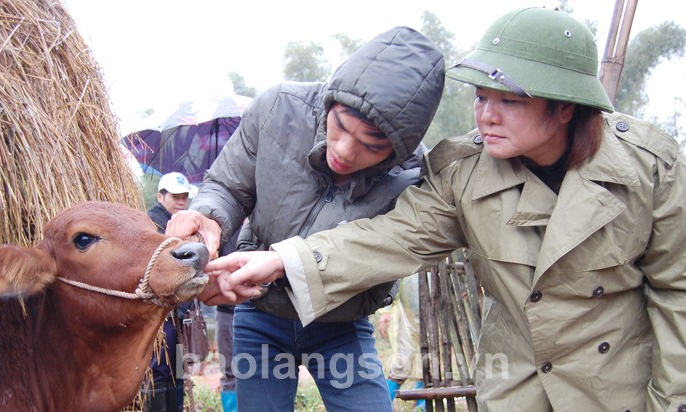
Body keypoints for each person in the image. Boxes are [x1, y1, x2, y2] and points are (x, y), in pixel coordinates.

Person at [203, 7, 686, 411]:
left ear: (564, 107)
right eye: (480, 97)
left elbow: (677, 292)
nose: (486, 115)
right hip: (518, 389)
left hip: (616, 389)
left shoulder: (650, 169)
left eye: (509, 101)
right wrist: (282, 259)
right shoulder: (464, 172)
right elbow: (393, 236)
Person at [166, 26, 445, 411]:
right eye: (340, 126)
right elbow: (228, 186)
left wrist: (285, 264)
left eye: (372, 145)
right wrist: (209, 217)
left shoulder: (414, 177)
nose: (345, 151)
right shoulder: (279, 110)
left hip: (341, 326)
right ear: (331, 100)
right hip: (259, 314)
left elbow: (387, 251)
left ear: (399, 150)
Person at [143, 171, 192, 412]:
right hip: (161, 312)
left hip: (178, 312)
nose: (181, 201)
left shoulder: (182, 226)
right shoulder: (152, 225)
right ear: (160, 197)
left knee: (178, 367)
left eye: (184, 197)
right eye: (175, 196)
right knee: (160, 368)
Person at [377, 274, 425, 411]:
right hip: (406, 314)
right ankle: (381, 405)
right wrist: (385, 312)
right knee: (402, 361)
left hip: (433, 313)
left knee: (427, 362)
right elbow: (394, 277)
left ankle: (422, 406)